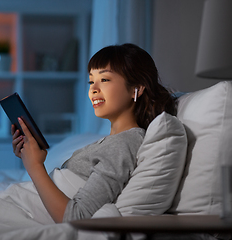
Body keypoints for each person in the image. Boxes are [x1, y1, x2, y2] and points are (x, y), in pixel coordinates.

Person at [10, 43, 176, 223]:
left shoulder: (124, 143)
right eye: (91, 81)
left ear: (137, 88)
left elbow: (76, 217)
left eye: (104, 80)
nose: (93, 89)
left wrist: (34, 167)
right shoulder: (114, 141)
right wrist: (32, 157)